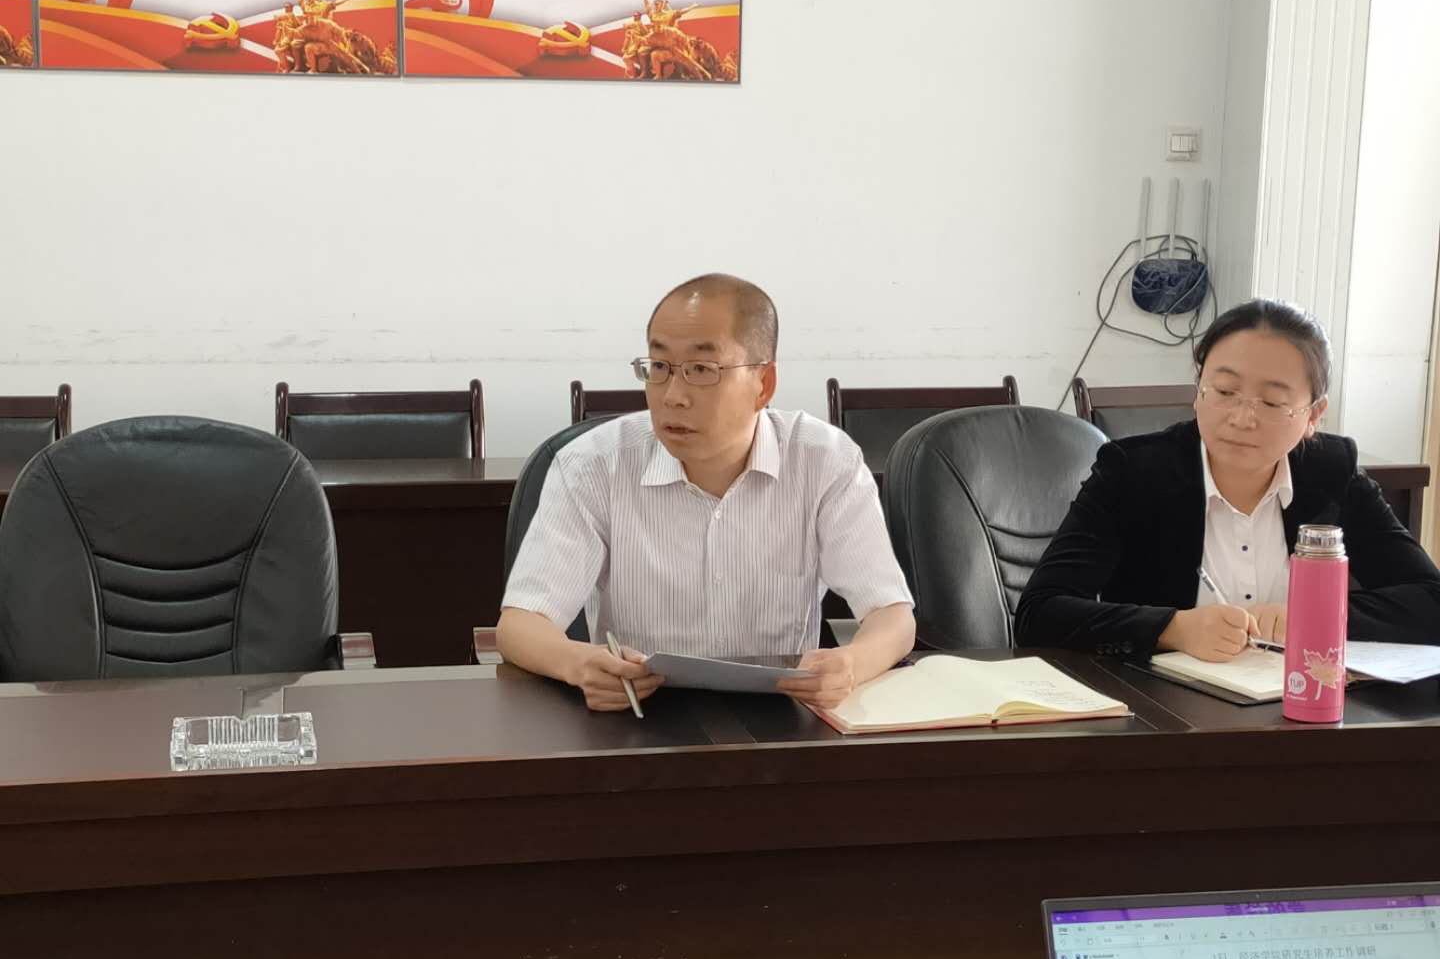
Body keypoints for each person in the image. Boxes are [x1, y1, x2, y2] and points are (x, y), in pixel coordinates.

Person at [497, 274, 916, 710]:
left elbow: (891, 615)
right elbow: (521, 624)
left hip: (780, 719)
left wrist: (852, 664)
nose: (673, 396)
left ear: (763, 384)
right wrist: (578, 663)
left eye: (701, 370)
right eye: (660, 367)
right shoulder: (593, 465)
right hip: (636, 717)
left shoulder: (824, 461)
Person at [1016, 298, 1440, 662]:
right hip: (1162, 713)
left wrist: (1315, 618)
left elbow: (1430, 600)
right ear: (1198, 390)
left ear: (1313, 414)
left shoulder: (1332, 473)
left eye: (1272, 402)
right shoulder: (1132, 472)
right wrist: (1173, 628)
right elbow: (1039, 613)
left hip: (1302, 707)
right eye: (1223, 392)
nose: (1241, 418)